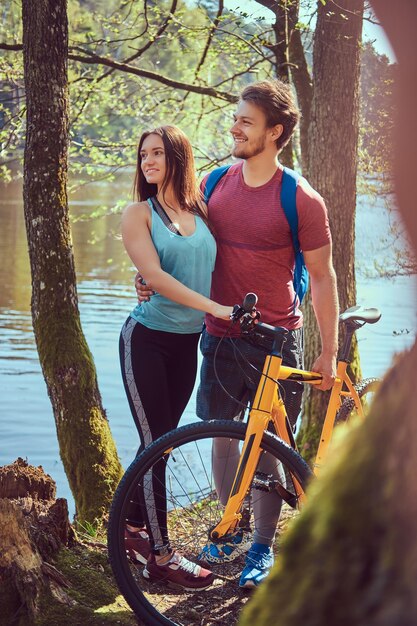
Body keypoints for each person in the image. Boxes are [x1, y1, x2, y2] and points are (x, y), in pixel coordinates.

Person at [136, 80, 339, 589]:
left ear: (275, 132)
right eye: (236, 118)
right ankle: (228, 529)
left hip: (277, 338)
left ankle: (262, 547)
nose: (234, 127)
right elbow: (181, 239)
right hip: (220, 334)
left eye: (246, 121)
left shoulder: (302, 199)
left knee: (269, 443)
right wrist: (146, 275)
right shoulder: (215, 182)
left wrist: (329, 350)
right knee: (222, 434)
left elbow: (322, 276)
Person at [120, 124, 233, 590]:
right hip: (145, 339)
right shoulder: (137, 214)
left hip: (187, 343)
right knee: (154, 446)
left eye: (157, 153)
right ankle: (162, 557)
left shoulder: (200, 209)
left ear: (178, 158)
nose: (147, 162)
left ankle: (130, 529)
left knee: (163, 442)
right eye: (143, 154)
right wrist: (216, 310)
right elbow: (156, 277)